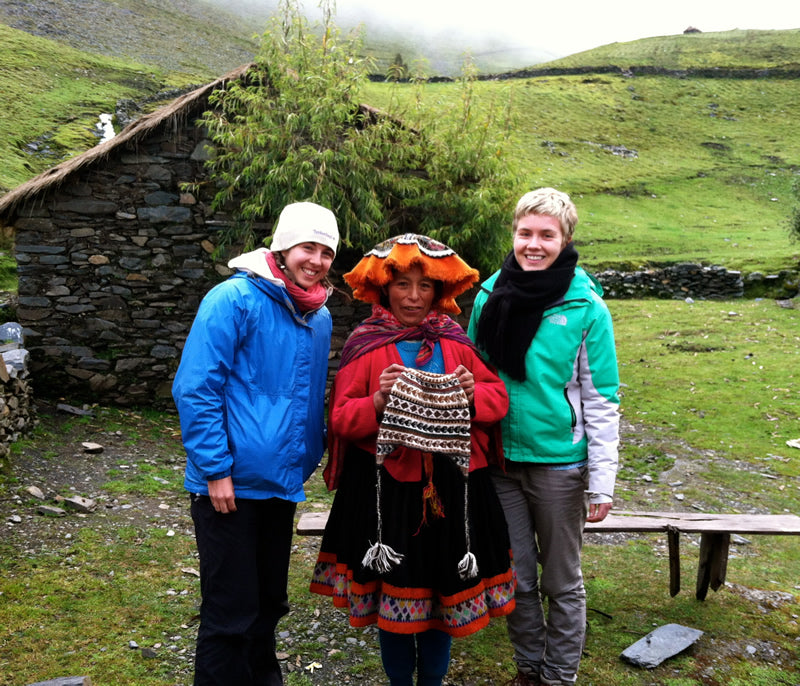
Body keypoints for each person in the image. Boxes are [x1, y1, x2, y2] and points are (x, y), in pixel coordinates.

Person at [310, 233, 516, 686]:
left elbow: (497, 400)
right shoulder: (366, 344)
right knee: (394, 597)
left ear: (439, 291)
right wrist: (378, 403)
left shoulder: (455, 342)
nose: (414, 296)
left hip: (453, 487)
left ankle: (433, 681)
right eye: (403, 284)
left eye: (424, 287)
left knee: (443, 595)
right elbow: (342, 419)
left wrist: (471, 393)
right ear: (384, 288)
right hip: (385, 490)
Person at [172, 201, 340, 686]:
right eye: (309, 246)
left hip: (280, 484)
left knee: (269, 602)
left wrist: (304, 460)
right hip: (228, 487)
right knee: (230, 611)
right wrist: (215, 470)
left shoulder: (318, 316)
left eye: (327, 251)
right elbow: (196, 387)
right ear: (283, 247)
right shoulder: (232, 300)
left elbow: (305, 399)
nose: (317, 260)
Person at [467, 188, 621, 686]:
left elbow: (600, 398)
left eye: (546, 236)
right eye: (525, 233)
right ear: (514, 233)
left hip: (560, 464)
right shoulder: (489, 295)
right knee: (517, 577)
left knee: (562, 581)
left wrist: (602, 480)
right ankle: (529, 670)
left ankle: (559, 676)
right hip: (500, 462)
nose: (534, 245)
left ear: (565, 238)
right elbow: (473, 375)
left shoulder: (586, 307)